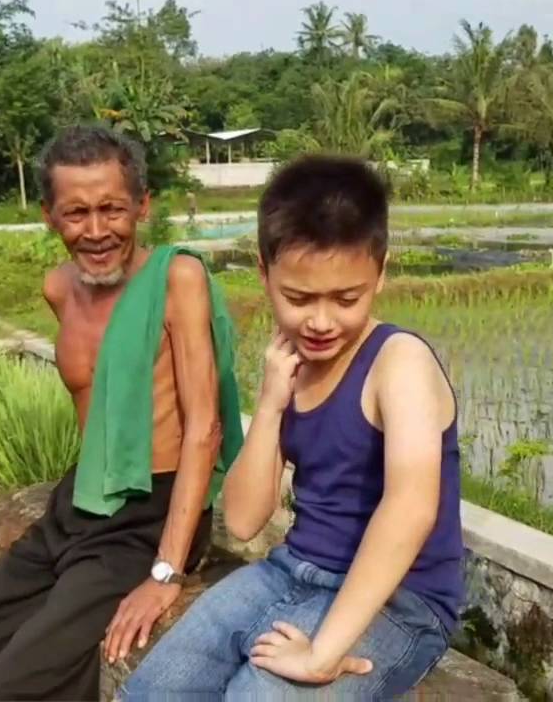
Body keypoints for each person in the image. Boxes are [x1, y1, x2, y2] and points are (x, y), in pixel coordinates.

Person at [0, 125, 243, 701]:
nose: (96, 230)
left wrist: (167, 570)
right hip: (79, 504)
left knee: (13, 691)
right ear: (49, 216)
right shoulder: (59, 287)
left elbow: (203, 428)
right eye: (76, 212)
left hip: (149, 515)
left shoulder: (176, 279)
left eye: (112, 209)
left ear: (142, 205)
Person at [121, 154, 465, 699]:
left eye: (347, 298)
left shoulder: (399, 363)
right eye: (299, 298)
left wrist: (323, 654)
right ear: (264, 272)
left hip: (403, 600)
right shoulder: (291, 366)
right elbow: (242, 519)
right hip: (290, 571)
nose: (322, 321)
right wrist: (272, 402)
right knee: (151, 692)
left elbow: (412, 508)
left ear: (381, 271)